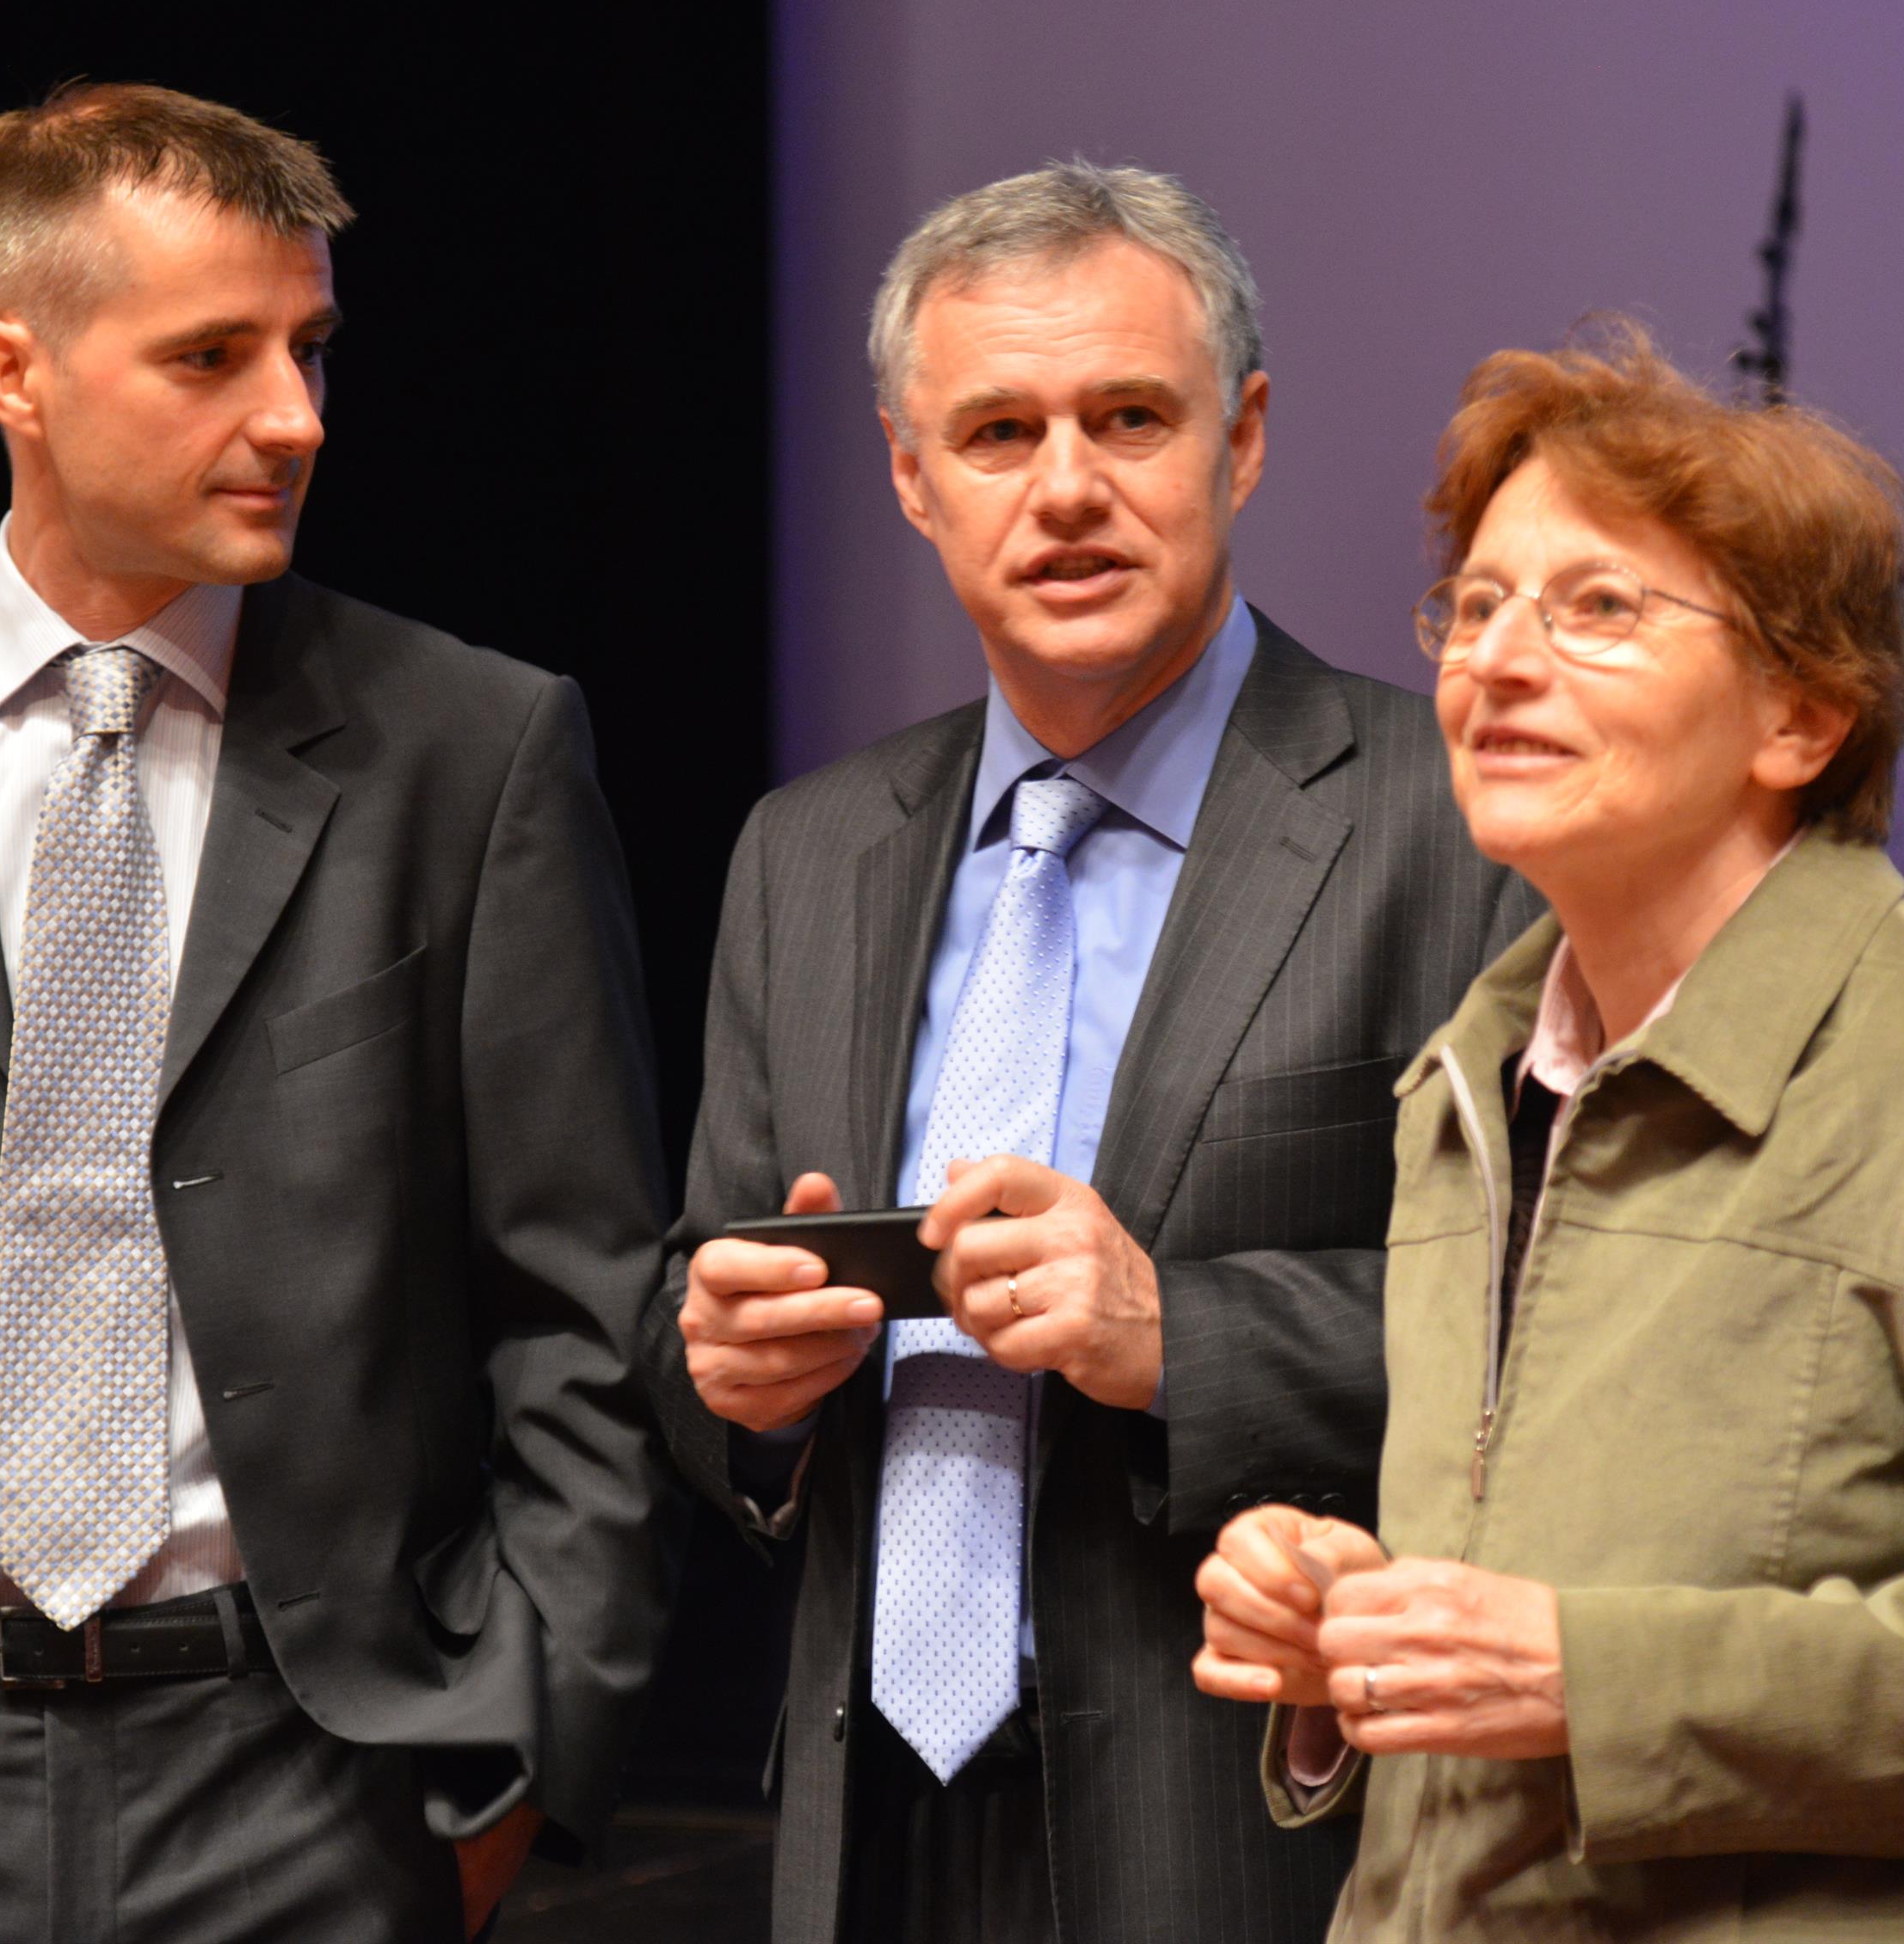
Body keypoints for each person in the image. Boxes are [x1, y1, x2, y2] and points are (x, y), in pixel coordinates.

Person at [0, 83, 676, 1943]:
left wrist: (518, 1763)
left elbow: (582, 1313)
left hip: (311, 1784)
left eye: (310, 348)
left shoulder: (473, 748)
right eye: (212, 356)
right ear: (10, 372)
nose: (294, 416)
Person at [1191, 323, 1904, 1939]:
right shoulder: (1465, 1083)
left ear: (1801, 719)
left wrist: (1592, 1678)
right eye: (1478, 604)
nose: (1496, 659)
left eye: (1598, 607)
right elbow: (1541, 1598)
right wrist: (1352, 1637)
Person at [641, 160, 1538, 1944]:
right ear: (912, 475)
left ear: (1242, 440)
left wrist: (1174, 1335)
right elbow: (696, 1304)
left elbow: (1557, 1327)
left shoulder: (1455, 828)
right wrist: (734, 1383)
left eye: (1129, 417)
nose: (1065, 487)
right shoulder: (806, 851)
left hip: (1253, 1826)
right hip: (868, 1829)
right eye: (997, 433)